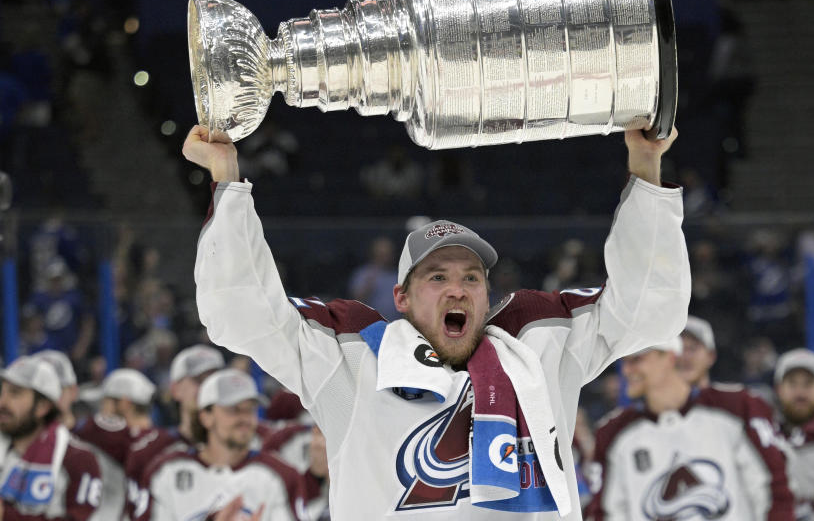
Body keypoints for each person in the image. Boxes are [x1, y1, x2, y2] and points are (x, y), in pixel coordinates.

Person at [183, 123, 691, 519]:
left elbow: (649, 309)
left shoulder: (539, 350)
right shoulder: (352, 363)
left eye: (472, 278)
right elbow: (241, 312)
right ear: (400, 297)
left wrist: (645, 164)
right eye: (437, 277)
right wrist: (226, 176)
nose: (457, 288)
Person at [585, 338, 794, 520]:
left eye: (636, 359)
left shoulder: (737, 408)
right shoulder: (613, 434)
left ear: (669, 357)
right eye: (624, 361)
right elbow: (608, 513)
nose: (627, 370)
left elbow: (772, 491)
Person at [138, 369, 303, 521]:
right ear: (205, 417)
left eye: (250, 409)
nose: (245, 418)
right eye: (233, 410)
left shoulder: (280, 475)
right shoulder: (165, 473)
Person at [124, 345, 225, 518]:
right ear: (175, 390)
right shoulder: (148, 453)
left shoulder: (251, 443)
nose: (209, 389)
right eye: (199, 381)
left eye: (216, 381)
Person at [0, 355, 103, 520]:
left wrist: (6, 515)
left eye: (15, 393)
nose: (2, 403)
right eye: (1, 392)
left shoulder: (79, 459)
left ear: (42, 407)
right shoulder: (4, 451)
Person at [74, 368, 156, 521]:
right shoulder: (161, 444)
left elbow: (85, 430)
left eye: (104, 402)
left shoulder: (103, 435)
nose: (101, 409)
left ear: (124, 403)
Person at [773, 349, 814, 520]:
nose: (800, 393)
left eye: (808, 384)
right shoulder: (761, 440)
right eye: (792, 383)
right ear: (778, 389)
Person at [30, 350, 78, 429]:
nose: (48, 398)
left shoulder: (93, 437)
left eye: (57, 390)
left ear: (73, 391)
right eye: (40, 392)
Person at [677, 315, 716, 388]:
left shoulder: (727, 398)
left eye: (693, 348)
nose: (686, 356)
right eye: (680, 348)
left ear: (711, 356)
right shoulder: (654, 398)